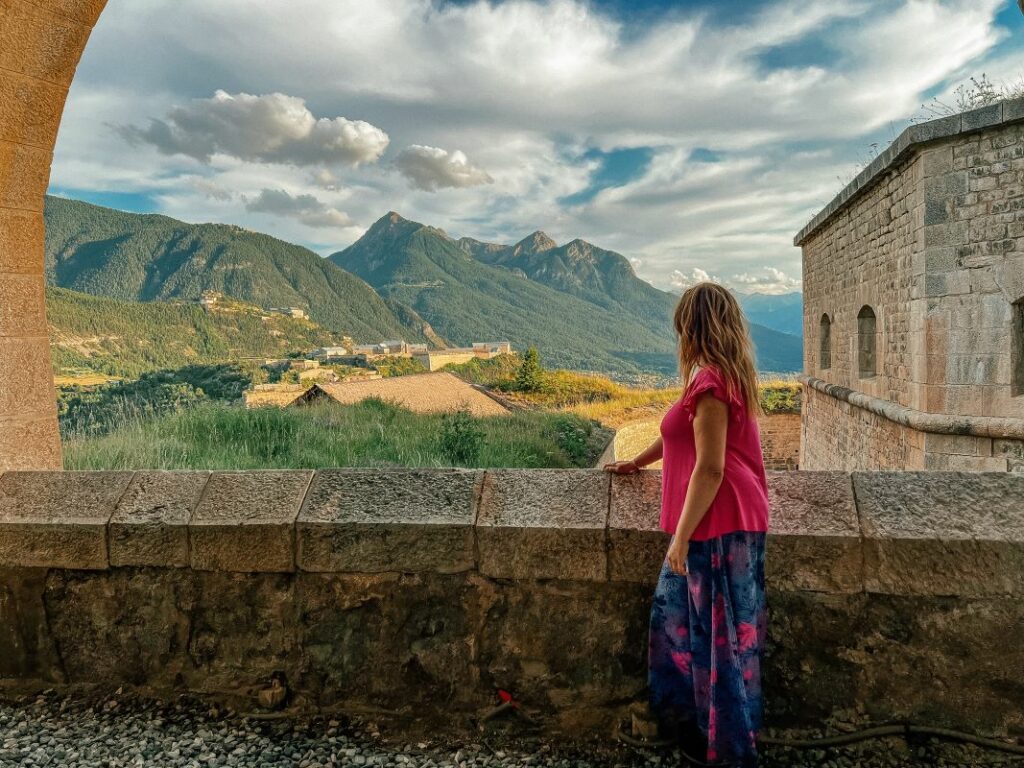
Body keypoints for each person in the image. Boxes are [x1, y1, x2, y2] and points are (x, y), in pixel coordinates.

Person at [604, 281, 770, 768]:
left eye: (682, 326)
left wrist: (680, 535)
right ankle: (705, 733)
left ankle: (723, 746)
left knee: (716, 640)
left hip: (716, 524)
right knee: (696, 631)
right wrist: (637, 462)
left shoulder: (712, 383)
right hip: (722, 521)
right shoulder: (715, 378)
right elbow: (679, 435)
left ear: (694, 328)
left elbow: (711, 466)